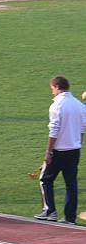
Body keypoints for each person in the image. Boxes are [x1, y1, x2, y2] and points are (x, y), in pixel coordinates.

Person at [35, 76, 86, 224]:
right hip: (74, 149)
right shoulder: (79, 105)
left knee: (45, 179)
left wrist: (48, 152)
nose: (52, 92)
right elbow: (83, 127)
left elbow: (54, 130)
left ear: (57, 87)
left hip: (59, 150)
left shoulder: (57, 105)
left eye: (52, 89)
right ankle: (70, 218)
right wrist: (78, 142)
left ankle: (50, 211)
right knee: (71, 184)